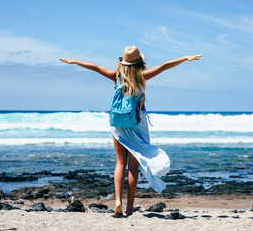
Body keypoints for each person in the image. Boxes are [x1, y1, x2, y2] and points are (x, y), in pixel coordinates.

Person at [60, 46, 202, 217]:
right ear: (139, 63)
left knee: (120, 163)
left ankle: (118, 202)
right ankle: (129, 208)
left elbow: (95, 67)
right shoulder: (142, 77)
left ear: (123, 62)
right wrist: (185, 58)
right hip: (136, 124)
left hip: (118, 123)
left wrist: (75, 61)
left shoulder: (116, 76)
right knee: (133, 168)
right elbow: (165, 66)